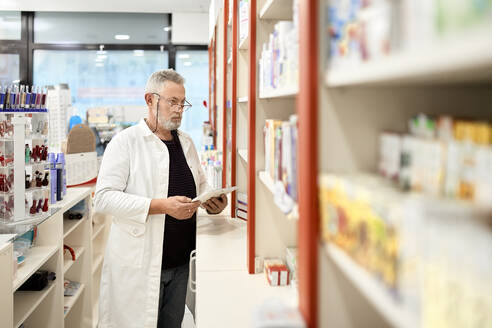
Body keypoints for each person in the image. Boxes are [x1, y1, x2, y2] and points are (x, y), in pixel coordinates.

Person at [94, 69, 228, 328]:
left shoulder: (186, 143)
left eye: (182, 103)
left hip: (180, 265)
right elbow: (103, 198)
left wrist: (213, 202)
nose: (179, 109)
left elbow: (201, 184)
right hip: (141, 266)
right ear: (150, 100)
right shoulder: (126, 143)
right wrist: (160, 206)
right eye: (172, 102)